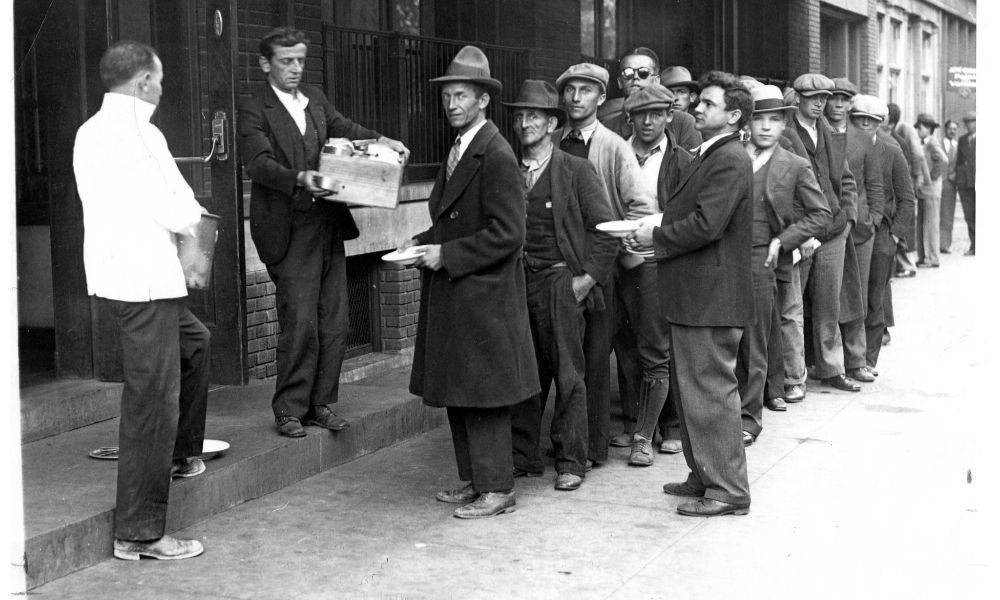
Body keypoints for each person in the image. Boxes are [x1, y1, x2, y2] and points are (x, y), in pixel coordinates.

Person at [74, 40, 210, 560]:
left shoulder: (89, 130)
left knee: (195, 343)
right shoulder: (140, 131)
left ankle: (180, 454)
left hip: (123, 277)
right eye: (160, 79)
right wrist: (198, 225)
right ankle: (139, 533)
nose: (162, 88)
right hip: (147, 281)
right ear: (143, 81)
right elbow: (173, 207)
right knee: (152, 401)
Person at [238, 27, 409, 438]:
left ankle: (320, 404)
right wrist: (300, 178)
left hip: (327, 225)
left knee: (335, 321)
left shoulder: (314, 99)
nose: (296, 68)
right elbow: (258, 163)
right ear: (265, 64)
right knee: (300, 323)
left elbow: (343, 126)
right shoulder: (254, 106)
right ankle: (289, 409)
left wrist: (381, 139)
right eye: (286, 61)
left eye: (300, 60)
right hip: (289, 229)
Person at [402, 46, 539, 519]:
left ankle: (497, 488)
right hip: (462, 294)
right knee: (462, 392)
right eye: (447, 96)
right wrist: (422, 242)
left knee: (483, 395)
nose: (451, 104)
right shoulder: (462, 147)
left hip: (484, 297)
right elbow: (454, 221)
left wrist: (447, 255)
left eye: (461, 95)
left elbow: (510, 234)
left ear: (483, 100)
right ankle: (477, 480)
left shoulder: (495, 153)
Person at [628, 71, 754, 517]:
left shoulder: (729, 158)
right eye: (698, 102)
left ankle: (728, 490)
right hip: (698, 297)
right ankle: (704, 474)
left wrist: (655, 236)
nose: (697, 108)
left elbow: (707, 224)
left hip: (710, 300)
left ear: (734, 115)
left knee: (711, 394)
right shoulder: (713, 153)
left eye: (708, 104)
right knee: (693, 394)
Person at [506, 80, 618, 491]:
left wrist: (584, 281)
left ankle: (571, 461)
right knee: (522, 371)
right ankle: (523, 457)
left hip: (559, 281)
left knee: (569, 373)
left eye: (534, 116)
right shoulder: (508, 169)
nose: (525, 123)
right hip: (518, 282)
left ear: (552, 124)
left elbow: (606, 231)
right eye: (519, 116)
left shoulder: (575, 169)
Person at [554, 62, 656, 468]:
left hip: (600, 267)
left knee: (595, 358)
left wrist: (616, 256)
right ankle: (566, 443)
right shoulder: (554, 141)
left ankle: (592, 448)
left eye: (586, 90)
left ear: (601, 97)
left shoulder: (613, 146)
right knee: (562, 357)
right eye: (570, 90)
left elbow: (640, 206)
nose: (576, 97)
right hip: (558, 265)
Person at [737, 85, 831, 444]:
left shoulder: (793, 165)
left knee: (754, 343)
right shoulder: (731, 157)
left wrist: (783, 240)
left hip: (762, 260)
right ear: (747, 122)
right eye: (759, 118)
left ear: (783, 124)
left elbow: (820, 214)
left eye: (775, 120)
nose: (766, 127)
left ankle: (748, 419)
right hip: (722, 259)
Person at [621, 83, 689, 464]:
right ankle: (638, 422)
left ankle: (646, 435)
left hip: (657, 261)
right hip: (618, 259)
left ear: (669, 116)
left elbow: (686, 215)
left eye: (657, 114)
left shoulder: (681, 161)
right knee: (625, 346)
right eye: (640, 114)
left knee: (655, 347)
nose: (648, 121)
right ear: (629, 117)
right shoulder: (617, 152)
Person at [782, 73, 860, 393]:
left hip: (834, 230)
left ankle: (831, 368)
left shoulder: (828, 131)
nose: (819, 104)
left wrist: (849, 219)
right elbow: (784, 190)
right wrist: (802, 233)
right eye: (813, 98)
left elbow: (846, 179)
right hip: (803, 232)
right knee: (793, 309)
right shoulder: (786, 133)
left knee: (829, 304)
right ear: (798, 97)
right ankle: (793, 376)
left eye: (824, 98)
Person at [857, 95, 915, 373]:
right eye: (859, 120)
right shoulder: (844, 147)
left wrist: (894, 236)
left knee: (875, 295)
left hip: (882, 233)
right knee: (851, 295)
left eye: (871, 121)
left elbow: (907, 198)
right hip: (854, 229)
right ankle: (849, 358)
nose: (864, 126)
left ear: (881, 122)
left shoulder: (891, 150)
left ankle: (868, 359)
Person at [838, 83, 885, 385]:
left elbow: (875, 184)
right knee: (829, 296)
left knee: (857, 295)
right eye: (833, 99)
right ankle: (829, 362)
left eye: (844, 100)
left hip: (862, 230)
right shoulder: (820, 135)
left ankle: (856, 359)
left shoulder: (864, 141)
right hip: (830, 227)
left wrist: (873, 220)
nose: (837, 105)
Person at [598, 47, 702, 150]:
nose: (635, 77)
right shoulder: (606, 129)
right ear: (620, 82)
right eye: (628, 73)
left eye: (643, 72)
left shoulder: (683, 123)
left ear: (656, 81)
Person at [914, 113, 948, 268]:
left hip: (931, 190)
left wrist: (932, 178)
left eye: (920, 128)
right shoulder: (924, 143)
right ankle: (924, 257)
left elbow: (944, 160)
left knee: (930, 224)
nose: (918, 131)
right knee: (923, 223)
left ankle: (932, 258)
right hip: (924, 189)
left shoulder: (932, 143)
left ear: (928, 129)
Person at [955, 111, 976, 256]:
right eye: (967, 123)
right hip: (965, 183)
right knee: (969, 215)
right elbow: (959, 162)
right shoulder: (962, 140)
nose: (970, 125)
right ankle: (974, 245)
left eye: (972, 122)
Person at [939, 119, 960, 254]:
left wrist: (955, 176)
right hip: (937, 182)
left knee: (948, 214)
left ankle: (945, 244)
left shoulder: (958, 146)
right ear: (945, 130)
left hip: (950, 184)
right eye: (950, 128)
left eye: (954, 129)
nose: (952, 131)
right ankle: (933, 244)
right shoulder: (938, 144)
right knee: (935, 214)